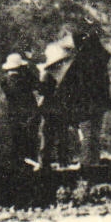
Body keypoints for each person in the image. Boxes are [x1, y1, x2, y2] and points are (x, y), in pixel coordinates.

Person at [59, 26, 111, 168]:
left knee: (88, 134)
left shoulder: (79, 61)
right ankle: (93, 162)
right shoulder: (99, 59)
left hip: (84, 103)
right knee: (94, 133)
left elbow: (68, 84)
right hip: (98, 102)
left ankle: (87, 164)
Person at [0, 52, 41, 170]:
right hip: (29, 115)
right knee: (30, 144)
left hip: (14, 116)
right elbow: (38, 85)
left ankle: (19, 168)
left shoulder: (5, 81)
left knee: (17, 145)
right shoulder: (25, 80)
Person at [37, 42, 74, 170]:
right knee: (61, 135)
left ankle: (45, 162)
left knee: (48, 136)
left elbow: (42, 91)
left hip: (50, 108)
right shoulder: (64, 75)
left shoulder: (47, 74)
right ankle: (62, 161)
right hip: (60, 108)